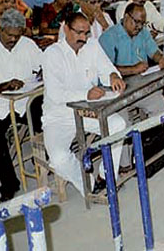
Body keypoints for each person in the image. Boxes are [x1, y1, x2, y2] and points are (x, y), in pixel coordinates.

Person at [43, 13, 126, 194]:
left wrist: (113, 76)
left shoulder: (92, 45)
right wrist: (86, 94)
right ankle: (87, 183)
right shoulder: (52, 54)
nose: (83, 38)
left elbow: (107, 68)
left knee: (118, 125)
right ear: (65, 28)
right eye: (78, 33)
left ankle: (106, 176)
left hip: (88, 110)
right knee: (58, 158)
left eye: (86, 33)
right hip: (60, 115)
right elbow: (55, 94)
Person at [0, 10, 45, 201]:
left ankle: (50, 160)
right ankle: (9, 183)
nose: (14, 39)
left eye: (17, 35)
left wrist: (42, 74)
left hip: (27, 101)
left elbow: (42, 65)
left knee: (47, 116)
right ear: (1, 29)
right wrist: (4, 85)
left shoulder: (28, 45)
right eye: (10, 35)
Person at [100, 3, 164, 117]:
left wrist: (161, 58)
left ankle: (151, 134)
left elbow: (154, 52)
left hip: (139, 85)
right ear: (126, 17)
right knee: (122, 123)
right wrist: (133, 69)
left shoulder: (142, 33)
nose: (139, 26)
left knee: (159, 104)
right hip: (117, 91)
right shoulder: (109, 37)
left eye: (142, 23)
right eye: (136, 22)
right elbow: (106, 70)